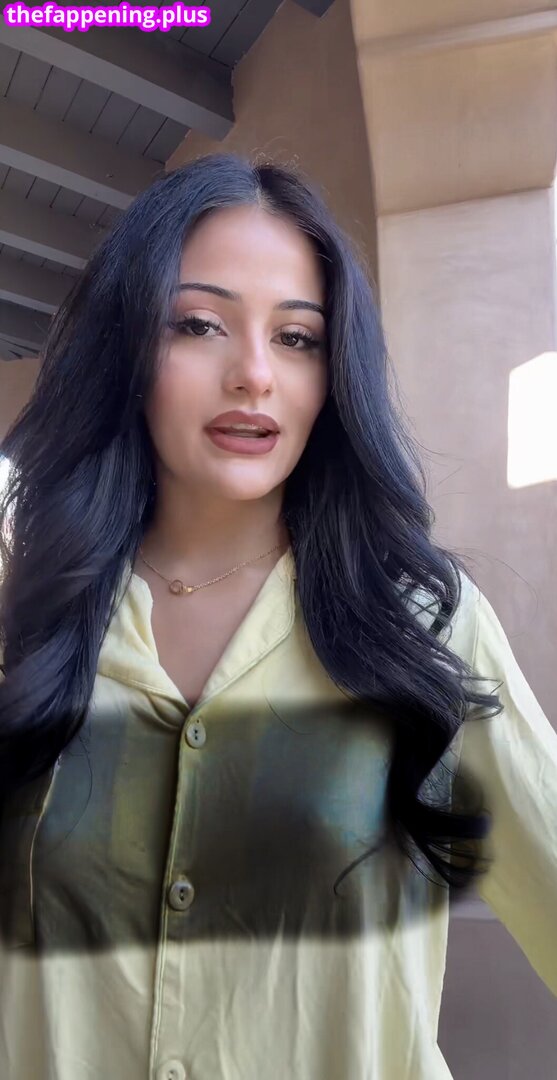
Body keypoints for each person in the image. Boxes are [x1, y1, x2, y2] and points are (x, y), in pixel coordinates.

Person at [0, 152, 555, 1080]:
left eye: (297, 337)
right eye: (199, 324)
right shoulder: (28, 613)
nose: (253, 374)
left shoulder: (419, 624)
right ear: (126, 347)